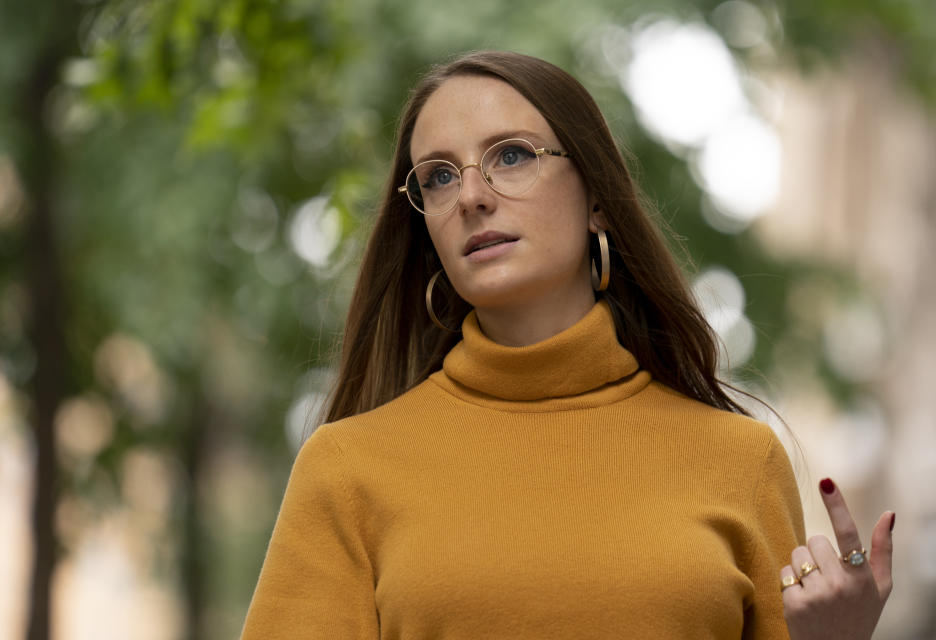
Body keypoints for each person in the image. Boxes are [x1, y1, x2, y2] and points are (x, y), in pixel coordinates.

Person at [241, 51, 893, 639]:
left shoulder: (741, 462)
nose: (470, 196)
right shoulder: (347, 471)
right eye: (437, 177)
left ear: (598, 201)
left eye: (512, 156)